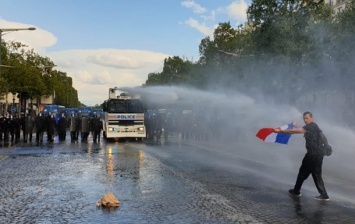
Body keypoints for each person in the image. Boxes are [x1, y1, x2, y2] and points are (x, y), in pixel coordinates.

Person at [273, 111, 330, 201]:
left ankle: (297, 191)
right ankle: (323, 195)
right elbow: (302, 129)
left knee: (304, 173)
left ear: (312, 118)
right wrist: (295, 126)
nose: (305, 120)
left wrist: (280, 131)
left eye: (307, 118)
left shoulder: (311, 125)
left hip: (312, 154)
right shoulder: (313, 126)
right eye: (304, 118)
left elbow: (295, 131)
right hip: (318, 155)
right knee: (315, 174)